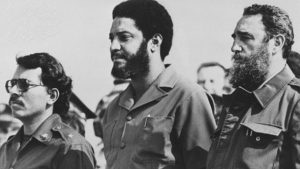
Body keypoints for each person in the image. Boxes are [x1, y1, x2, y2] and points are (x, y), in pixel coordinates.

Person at [103, 0, 216, 168]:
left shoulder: (188, 97)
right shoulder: (113, 108)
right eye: (111, 38)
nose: (113, 46)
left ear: (154, 42)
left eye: (124, 37)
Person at [207, 4, 299, 169]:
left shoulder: (295, 102)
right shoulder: (236, 101)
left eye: (245, 37)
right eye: (234, 38)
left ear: (276, 43)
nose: (234, 47)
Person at [0, 53, 96, 169]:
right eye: (13, 84)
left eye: (24, 84)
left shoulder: (70, 147)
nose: (13, 91)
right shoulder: (6, 149)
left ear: (51, 96)